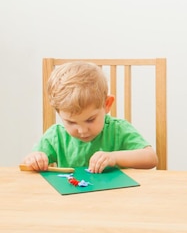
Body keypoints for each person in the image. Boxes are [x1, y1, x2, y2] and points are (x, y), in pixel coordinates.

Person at [21, 61, 158, 173]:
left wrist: (114, 158)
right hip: (70, 203)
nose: (82, 130)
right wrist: (35, 159)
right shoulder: (56, 135)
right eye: (71, 122)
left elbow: (151, 158)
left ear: (107, 105)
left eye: (90, 120)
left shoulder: (118, 129)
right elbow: (26, 165)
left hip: (115, 201)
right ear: (59, 113)